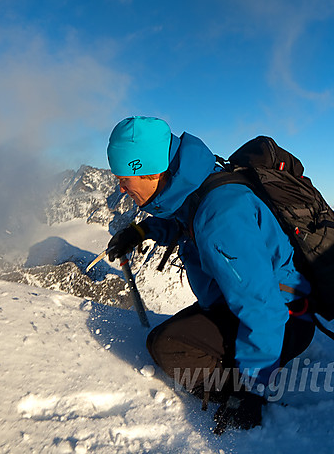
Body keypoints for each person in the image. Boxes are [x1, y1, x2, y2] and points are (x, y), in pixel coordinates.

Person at [105, 116, 316, 434]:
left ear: (150, 170)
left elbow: (262, 305)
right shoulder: (192, 183)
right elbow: (183, 221)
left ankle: (243, 381)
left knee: (168, 346)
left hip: (286, 318)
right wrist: (142, 229)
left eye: (125, 178)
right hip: (255, 303)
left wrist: (252, 391)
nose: (120, 189)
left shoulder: (221, 220)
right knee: (176, 334)